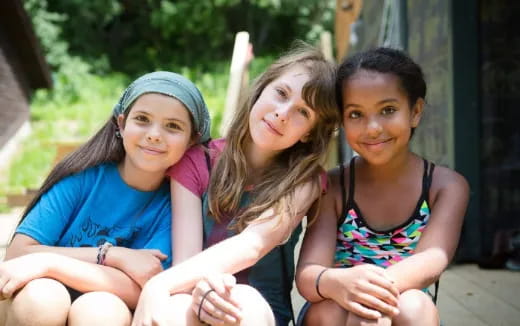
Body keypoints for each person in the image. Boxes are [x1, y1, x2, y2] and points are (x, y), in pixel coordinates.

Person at [131, 42, 339, 326]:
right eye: (280, 94)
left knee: (243, 301)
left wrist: (157, 285)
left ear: (309, 133)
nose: (282, 113)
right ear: (261, 89)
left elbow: (253, 244)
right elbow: (186, 261)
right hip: (193, 292)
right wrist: (193, 290)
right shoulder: (197, 162)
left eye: (303, 112)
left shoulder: (305, 180)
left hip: (258, 310)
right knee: (173, 310)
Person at [0, 71, 211, 326]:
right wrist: (112, 256)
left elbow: (148, 287)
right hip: (34, 302)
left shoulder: (177, 206)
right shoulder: (83, 178)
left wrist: (48, 262)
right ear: (121, 124)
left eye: (173, 126)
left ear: (192, 140)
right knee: (43, 297)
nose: (155, 134)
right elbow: (18, 255)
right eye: (142, 119)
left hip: (109, 308)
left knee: (101, 310)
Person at [295, 47, 470, 326]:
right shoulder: (334, 186)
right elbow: (307, 274)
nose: (373, 127)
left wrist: (370, 295)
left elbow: (433, 259)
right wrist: (345, 287)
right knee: (331, 311)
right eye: (356, 114)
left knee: (412, 306)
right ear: (341, 119)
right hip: (333, 308)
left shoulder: (446, 186)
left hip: (403, 306)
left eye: (388, 110)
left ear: (415, 111)